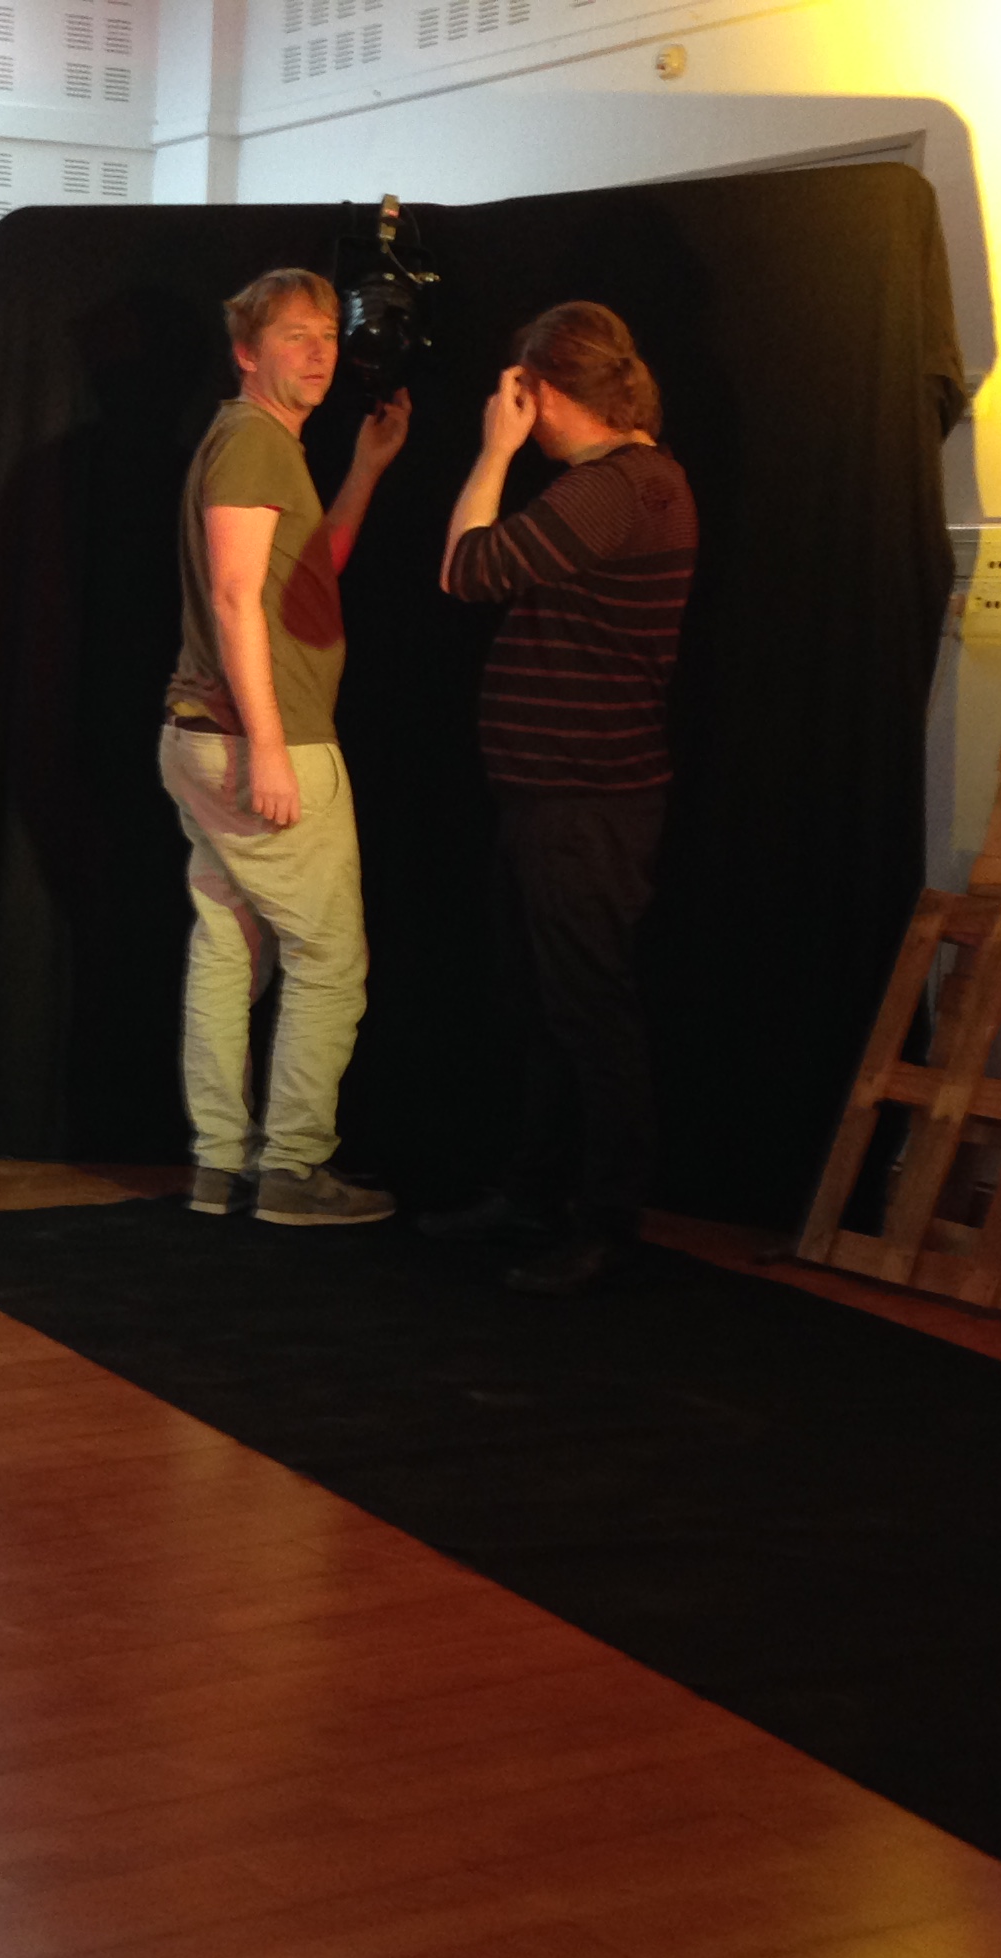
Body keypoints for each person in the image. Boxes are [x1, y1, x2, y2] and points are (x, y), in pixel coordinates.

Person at [432, 301, 697, 1292]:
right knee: (546, 1006)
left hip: (585, 800)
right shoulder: (630, 482)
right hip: (561, 795)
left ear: (540, 391)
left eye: (520, 393)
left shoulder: (616, 487)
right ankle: (533, 1195)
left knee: (588, 1010)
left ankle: (606, 1222)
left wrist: (494, 451)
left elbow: (466, 569)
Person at [157, 268, 409, 1225]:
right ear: (245, 351)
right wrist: (267, 744)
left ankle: (220, 1167)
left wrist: (366, 469)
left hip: (207, 739)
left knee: (230, 946)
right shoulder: (254, 442)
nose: (319, 351)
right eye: (295, 335)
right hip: (257, 742)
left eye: (328, 336)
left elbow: (304, 578)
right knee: (330, 958)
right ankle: (293, 1172)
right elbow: (234, 600)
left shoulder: (261, 445)